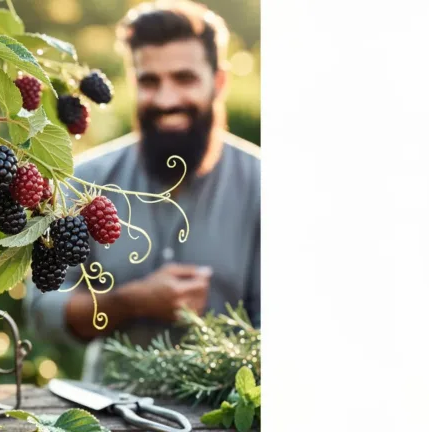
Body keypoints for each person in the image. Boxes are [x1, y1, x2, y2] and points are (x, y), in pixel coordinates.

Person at [24, 0, 260, 383]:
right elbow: (41, 310)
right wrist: (130, 302)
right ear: (134, 82)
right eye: (150, 81)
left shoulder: (264, 185)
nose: (166, 100)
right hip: (110, 412)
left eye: (184, 78)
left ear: (218, 82)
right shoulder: (86, 179)